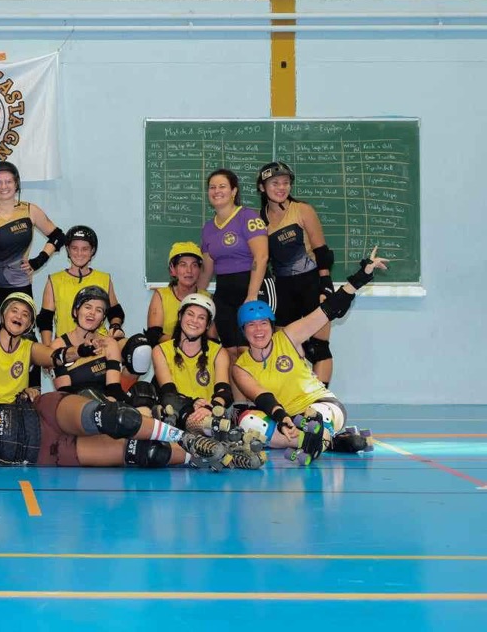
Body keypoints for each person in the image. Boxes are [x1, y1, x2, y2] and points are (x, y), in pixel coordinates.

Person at [232, 250, 386, 464]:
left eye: (263, 323)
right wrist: (282, 418)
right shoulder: (241, 367)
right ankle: (328, 442)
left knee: (315, 417)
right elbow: (262, 397)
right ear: (243, 330)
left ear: (272, 325)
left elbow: (328, 309)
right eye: (251, 325)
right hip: (284, 417)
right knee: (248, 422)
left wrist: (362, 275)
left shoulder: (287, 336)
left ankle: (317, 436)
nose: (259, 330)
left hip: (321, 405)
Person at [0, 386, 259, 471]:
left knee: (116, 419)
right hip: (44, 452)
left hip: (45, 413)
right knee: (145, 455)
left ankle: (187, 435)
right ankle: (209, 453)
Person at [257, 161, 337, 385]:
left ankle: (322, 405)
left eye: (285, 183)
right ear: (263, 188)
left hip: (311, 283)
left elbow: (322, 251)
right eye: (275, 183)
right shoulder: (259, 220)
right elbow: (261, 259)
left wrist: (326, 285)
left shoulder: (302, 210)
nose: (281, 187)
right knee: (286, 349)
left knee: (318, 347)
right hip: (282, 290)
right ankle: (296, 400)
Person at [0, 161, 66, 329]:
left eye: (8, 181)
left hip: (20, 284)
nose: (3, 186)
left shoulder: (30, 210)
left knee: (23, 337)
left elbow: (58, 237)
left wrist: (39, 261)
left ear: (16, 183)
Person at [198, 169, 269, 360]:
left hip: (253, 288)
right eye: (212, 187)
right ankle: (231, 391)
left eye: (222, 186)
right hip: (224, 293)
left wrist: (252, 295)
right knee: (230, 352)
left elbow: (261, 256)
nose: (216, 191)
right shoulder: (208, 228)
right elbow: (207, 268)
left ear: (234, 191)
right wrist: (196, 295)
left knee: (249, 351)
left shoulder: (248, 217)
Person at [151, 293, 232, 435]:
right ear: (180, 316)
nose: (195, 321)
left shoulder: (219, 352)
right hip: (178, 412)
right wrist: (194, 403)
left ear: (207, 325)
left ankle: (218, 435)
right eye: (190, 314)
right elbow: (168, 392)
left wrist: (210, 406)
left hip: (208, 412)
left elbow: (224, 392)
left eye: (201, 318)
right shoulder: (161, 350)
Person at [38, 226, 125, 344]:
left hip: (98, 345)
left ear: (92, 251)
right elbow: (45, 320)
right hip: (66, 347)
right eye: (74, 248)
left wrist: (115, 326)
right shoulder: (54, 280)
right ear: (68, 250)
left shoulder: (104, 278)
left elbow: (115, 311)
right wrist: (48, 352)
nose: (79, 253)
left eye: (85, 249)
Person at [46, 286, 124, 401]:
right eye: (88, 307)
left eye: (99, 310)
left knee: (142, 393)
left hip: (106, 405)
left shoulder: (109, 344)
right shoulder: (57, 346)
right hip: (75, 408)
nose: (92, 313)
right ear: (75, 311)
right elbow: (65, 393)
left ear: (103, 319)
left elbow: (114, 390)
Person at [146, 242, 216, 344]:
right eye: (183, 265)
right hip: (167, 352)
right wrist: (184, 343)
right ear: (172, 269)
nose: (189, 270)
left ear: (200, 270)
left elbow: (212, 338)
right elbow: (154, 335)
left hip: (199, 354)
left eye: (194, 265)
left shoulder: (207, 298)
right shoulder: (161, 295)